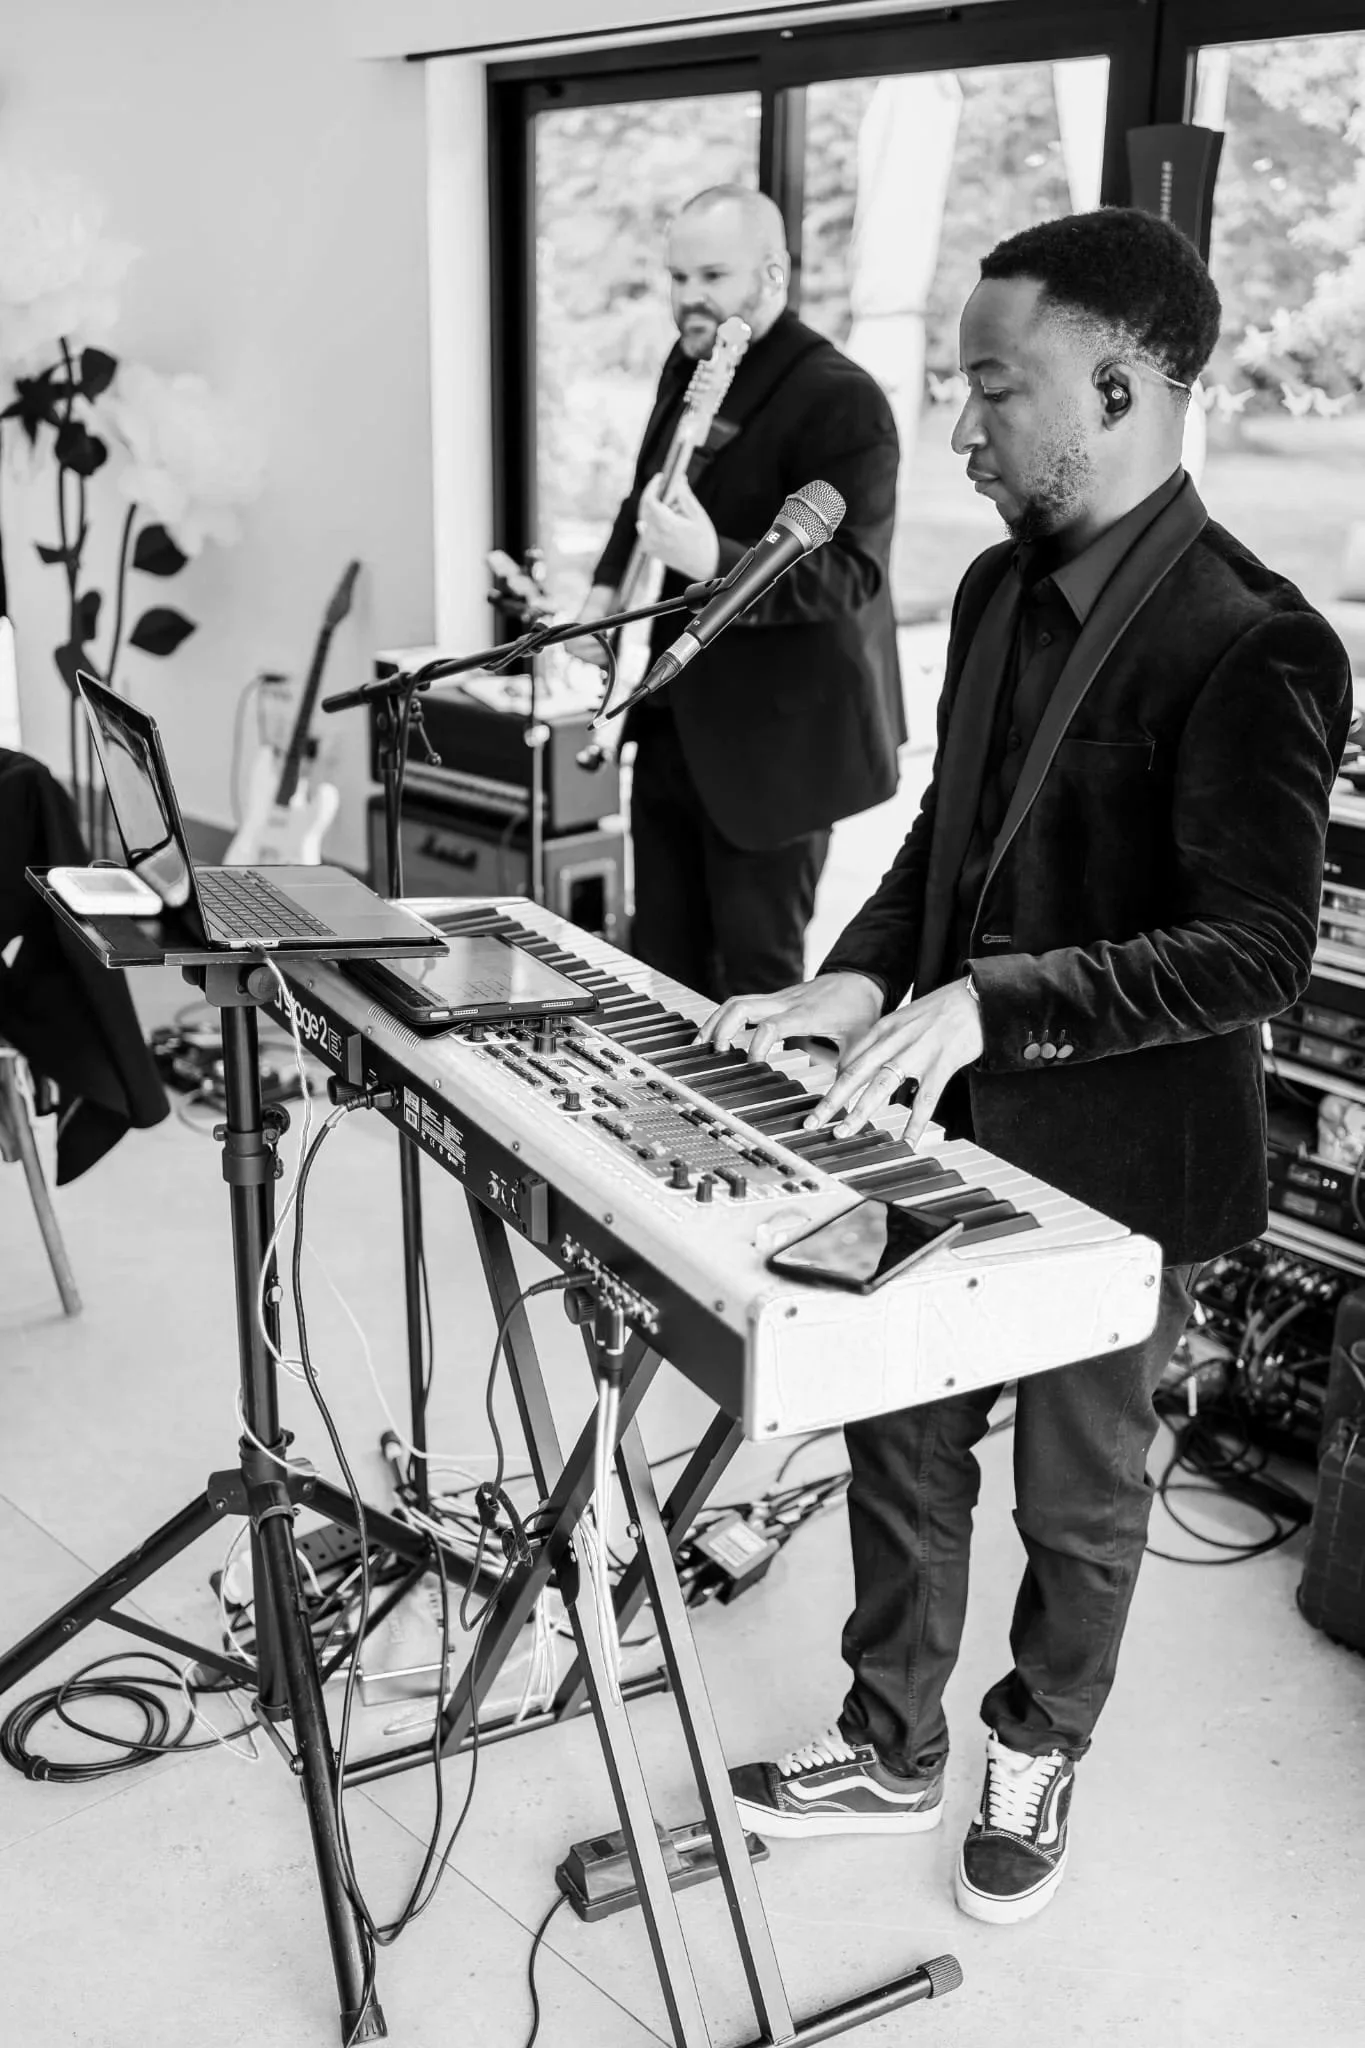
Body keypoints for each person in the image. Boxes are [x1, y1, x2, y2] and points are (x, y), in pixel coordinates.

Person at [701, 207, 1352, 1925]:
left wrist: (996, 1001)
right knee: (899, 1442)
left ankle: (1035, 1737)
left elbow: (1255, 947)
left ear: (1123, 386)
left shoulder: (1262, 638)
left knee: (1078, 1504)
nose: (964, 425)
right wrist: (850, 983)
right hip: (943, 1121)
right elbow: (946, 836)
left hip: (1125, 1156)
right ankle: (888, 1734)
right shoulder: (992, 587)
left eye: (998, 388)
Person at [580, 185, 904, 1002]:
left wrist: (710, 557)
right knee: (657, 966)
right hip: (674, 720)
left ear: (772, 274)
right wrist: (598, 601)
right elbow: (648, 494)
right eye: (677, 275)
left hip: (775, 749)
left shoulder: (841, 398)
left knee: (751, 984)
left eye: (712, 274)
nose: (690, 295)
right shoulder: (686, 359)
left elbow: (850, 574)